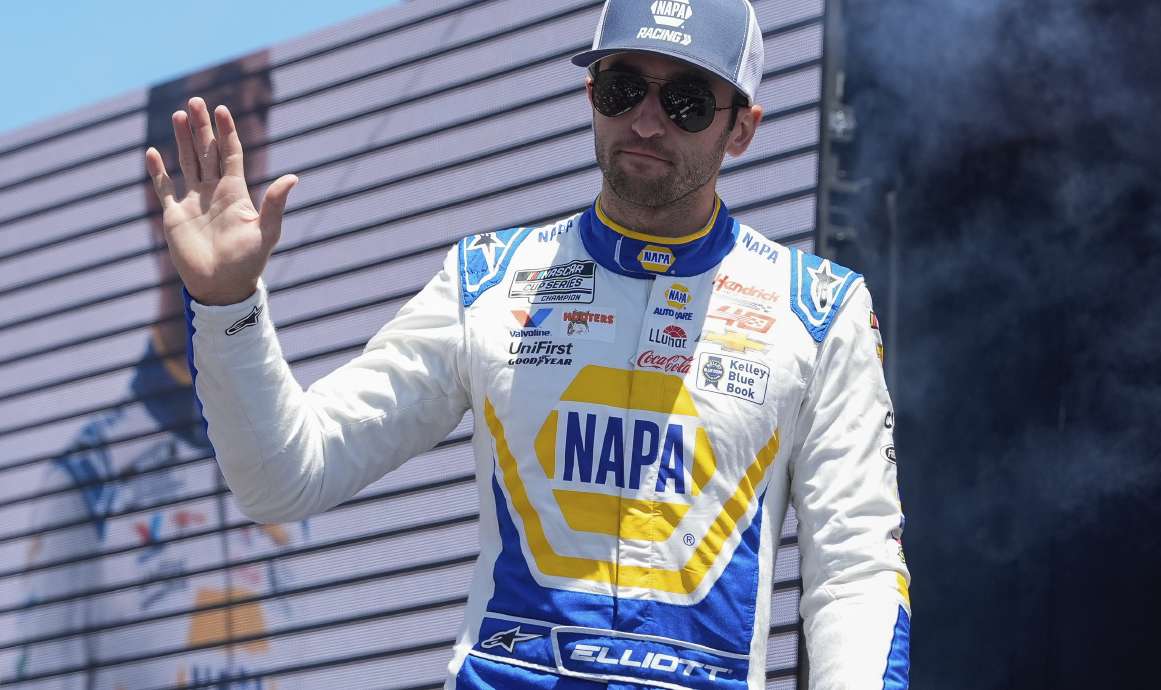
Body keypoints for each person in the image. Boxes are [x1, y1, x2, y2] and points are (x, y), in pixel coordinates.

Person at [145, 0, 911, 687]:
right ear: (589, 96)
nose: (645, 122)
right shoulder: (488, 280)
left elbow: (856, 572)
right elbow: (286, 477)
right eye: (622, 89)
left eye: (684, 101)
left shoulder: (818, 310)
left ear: (741, 128)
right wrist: (225, 303)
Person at [14, 55, 308, 690]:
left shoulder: (308, 454)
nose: (246, 139)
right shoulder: (86, 483)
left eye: (259, 107)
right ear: (160, 181)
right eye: (222, 106)